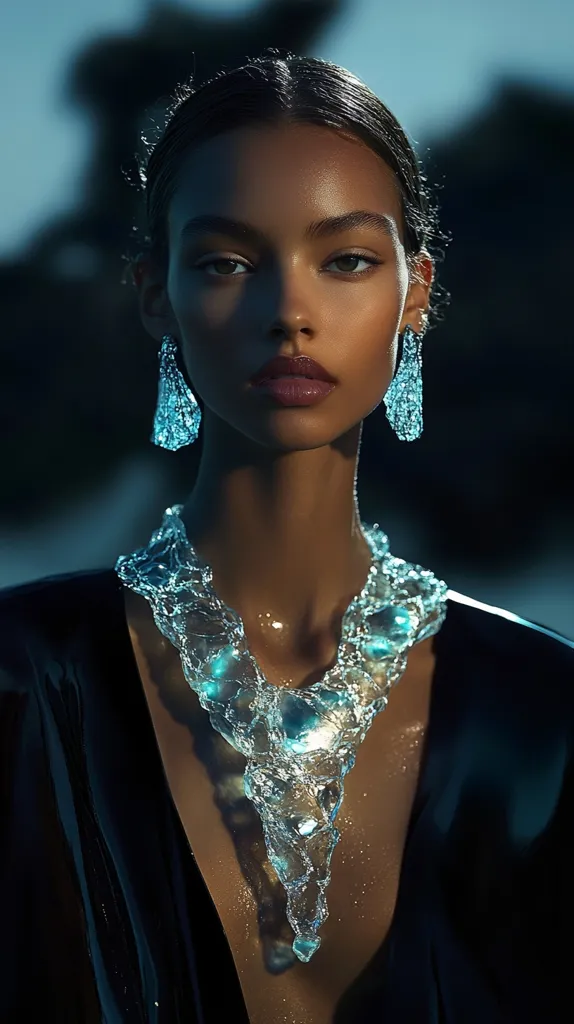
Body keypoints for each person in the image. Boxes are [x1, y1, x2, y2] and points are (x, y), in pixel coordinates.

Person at [0, 52, 572, 1024]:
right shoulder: (20, 676)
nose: (290, 315)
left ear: (416, 290)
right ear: (153, 293)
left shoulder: (543, 711)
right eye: (227, 261)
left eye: (345, 259)